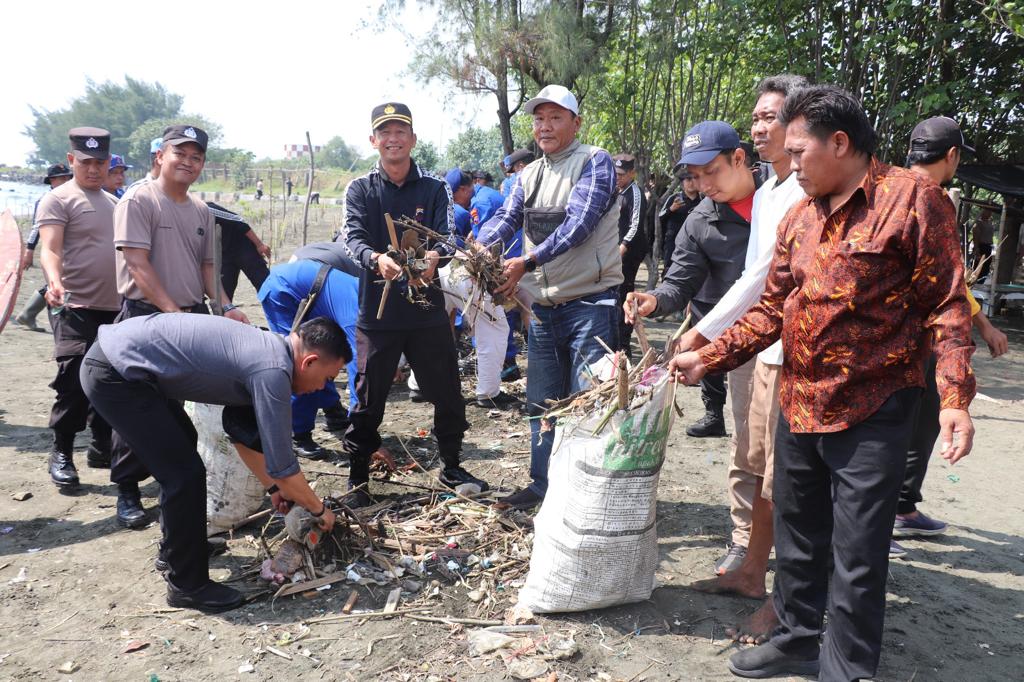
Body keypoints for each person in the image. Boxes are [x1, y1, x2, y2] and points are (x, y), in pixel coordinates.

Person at [670, 85, 976, 681]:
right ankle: (795, 639)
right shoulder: (798, 217)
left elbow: (947, 306)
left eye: (799, 151)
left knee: (858, 553)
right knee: (799, 536)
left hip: (875, 404)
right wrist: (710, 355)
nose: (789, 164)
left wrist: (955, 399)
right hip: (800, 401)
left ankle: (848, 667)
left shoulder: (914, 202)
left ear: (840, 142)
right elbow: (770, 310)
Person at [81, 314, 345, 612]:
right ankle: (187, 586)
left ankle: (179, 550)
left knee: (184, 451)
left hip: (127, 366)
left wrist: (273, 488)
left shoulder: (270, 351)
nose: (322, 388)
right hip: (117, 373)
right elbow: (284, 466)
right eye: (327, 378)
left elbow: (239, 434)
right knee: (183, 474)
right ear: (309, 361)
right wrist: (319, 509)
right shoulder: (272, 370)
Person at [671, 75, 808, 641]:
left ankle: (786, 597)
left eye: (772, 117)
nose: (761, 126)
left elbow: (760, 281)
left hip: (797, 353)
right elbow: (761, 283)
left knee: (787, 479)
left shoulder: (806, 191)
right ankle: (752, 570)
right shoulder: (776, 191)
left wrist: (705, 333)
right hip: (763, 349)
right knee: (754, 462)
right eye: (756, 116)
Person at [478, 84, 622, 509]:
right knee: (541, 403)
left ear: (576, 123)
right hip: (544, 309)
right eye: (539, 118)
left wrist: (526, 262)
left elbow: (578, 224)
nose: (545, 126)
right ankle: (543, 486)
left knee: (589, 404)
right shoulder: (528, 175)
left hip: (591, 305)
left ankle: (589, 494)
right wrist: (480, 249)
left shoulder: (594, 162)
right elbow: (505, 218)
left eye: (556, 117)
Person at [340, 101, 488, 505]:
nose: (393, 139)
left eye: (400, 131)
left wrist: (436, 257)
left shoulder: (434, 186)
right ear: (374, 140)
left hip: (427, 313)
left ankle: (452, 466)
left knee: (448, 393)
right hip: (378, 313)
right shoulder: (359, 189)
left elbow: (450, 236)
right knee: (368, 398)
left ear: (413, 139)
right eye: (384, 132)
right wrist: (377, 259)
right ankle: (358, 479)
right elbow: (351, 240)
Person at [110, 124, 250, 529]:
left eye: (196, 157)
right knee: (137, 406)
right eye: (180, 154)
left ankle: (170, 485)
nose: (188, 162)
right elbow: (137, 263)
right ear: (160, 156)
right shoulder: (139, 199)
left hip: (188, 317)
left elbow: (209, 267)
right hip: (146, 318)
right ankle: (127, 489)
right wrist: (172, 315)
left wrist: (224, 306)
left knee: (174, 407)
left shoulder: (201, 211)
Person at [898, 116, 1008, 554]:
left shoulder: (885, 189)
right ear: (951, 157)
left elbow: (950, 282)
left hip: (908, 341)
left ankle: (901, 508)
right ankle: (878, 523)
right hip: (910, 341)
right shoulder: (931, 200)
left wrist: (981, 322)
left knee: (920, 425)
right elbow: (947, 287)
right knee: (898, 430)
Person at [625, 121, 759, 442]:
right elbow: (679, 283)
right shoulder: (699, 222)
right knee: (753, 443)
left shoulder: (783, 192)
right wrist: (654, 300)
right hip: (745, 338)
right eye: (695, 176)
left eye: (711, 171)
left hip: (802, 335)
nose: (702, 185)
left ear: (738, 158)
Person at [35, 128, 121, 489]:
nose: (93, 169)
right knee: (73, 379)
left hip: (115, 308)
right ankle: (62, 451)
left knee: (110, 379)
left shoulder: (116, 202)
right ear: (72, 160)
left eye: (100, 162)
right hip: (73, 304)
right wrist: (54, 280)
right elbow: (50, 249)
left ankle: (101, 445)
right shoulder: (58, 199)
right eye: (86, 162)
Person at [259, 259, 359, 458]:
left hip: (308, 287)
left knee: (324, 360)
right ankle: (299, 433)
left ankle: (332, 410)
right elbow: (359, 368)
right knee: (302, 364)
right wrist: (360, 423)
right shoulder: (355, 317)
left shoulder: (368, 299)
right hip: (283, 291)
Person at [14, 163, 74, 330]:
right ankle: (31, 314)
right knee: (58, 281)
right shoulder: (46, 200)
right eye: (62, 178)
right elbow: (35, 229)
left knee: (61, 280)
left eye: (68, 177)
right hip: (55, 249)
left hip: (68, 247)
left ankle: (29, 314)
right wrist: (29, 251)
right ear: (52, 181)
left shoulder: (71, 197)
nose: (67, 181)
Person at [496, 148, 534, 381]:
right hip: (530, 255)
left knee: (515, 307)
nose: (510, 177)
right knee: (527, 307)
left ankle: (513, 362)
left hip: (519, 255)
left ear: (520, 167)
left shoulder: (517, 182)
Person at [612, 154, 649, 355]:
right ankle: (615, 339)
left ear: (632, 173)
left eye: (621, 174)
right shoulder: (616, 191)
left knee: (625, 294)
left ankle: (624, 344)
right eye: (615, 173)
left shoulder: (635, 193)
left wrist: (623, 247)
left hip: (630, 251)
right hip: (614, 250)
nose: (617, 177)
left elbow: (635, 225)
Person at [206, 202, 271, 299]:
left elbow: (238, 219)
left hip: (243, 247)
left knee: (264, 284)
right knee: (224, 292)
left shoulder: (206, 209)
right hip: (222, 253)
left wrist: (259, 245)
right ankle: (223, 314)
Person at [658, 170, 701, 276]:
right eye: (688, 179)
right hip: (673, 244)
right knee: (670, 272)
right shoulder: (674, 198)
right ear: (682, 183)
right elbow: (659, 218)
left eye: (694, 179)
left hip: (695, 244)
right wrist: (671, 209)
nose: (691, 183)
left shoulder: (703, 200)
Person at [971, 206, 994, 277]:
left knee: (986, 267)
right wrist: (976, 249)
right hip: (981, 246)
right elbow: (976, 237)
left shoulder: (990, 223)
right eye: (987, 211)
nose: (989, 213)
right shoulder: (978, 223)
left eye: (990, 211)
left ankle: (982, 280)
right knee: (979, 266)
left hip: (988, 247)